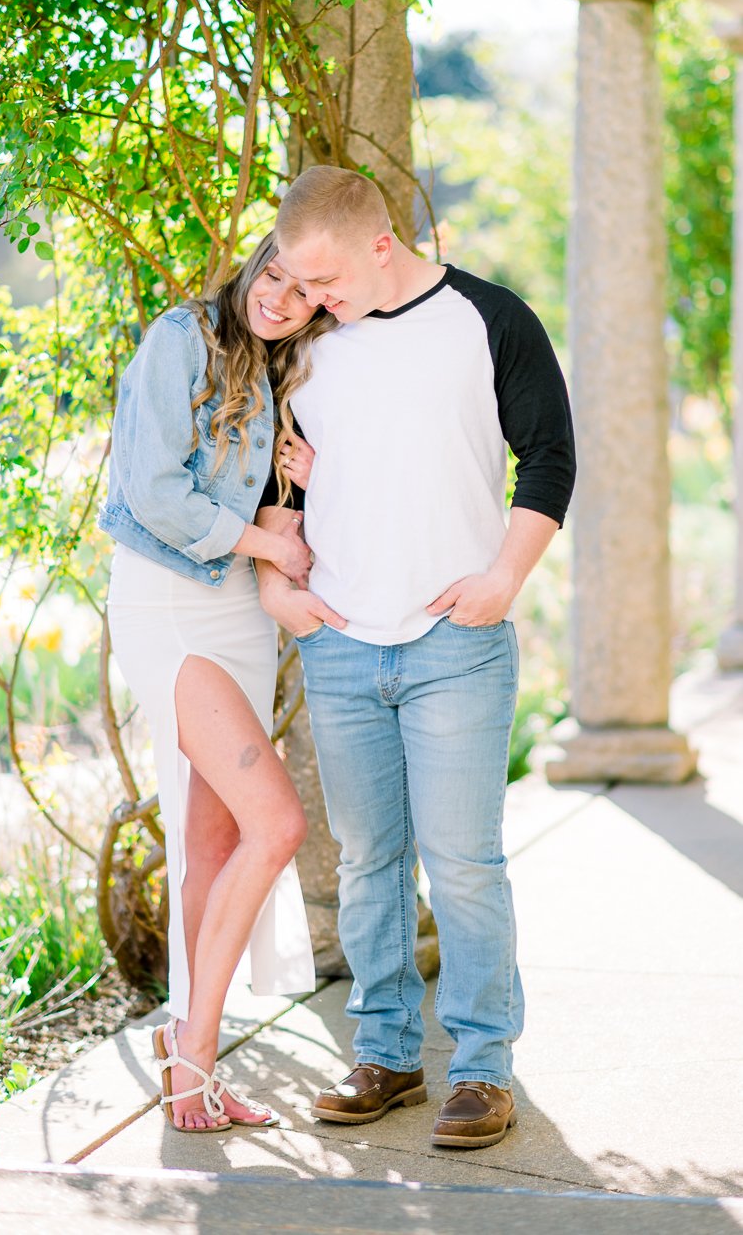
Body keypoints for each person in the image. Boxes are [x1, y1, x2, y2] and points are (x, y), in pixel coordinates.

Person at [255, 166, 576, 1149]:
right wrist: (282, 590)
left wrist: (501, 581)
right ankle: (386, 1053)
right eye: (298, 284)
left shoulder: (488, 320)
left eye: (325, 280)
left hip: (455, 642)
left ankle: (481, 1070)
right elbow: (280, 470)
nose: (311, 301)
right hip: (343, 644)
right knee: (368, 860)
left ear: (380, 244)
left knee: (465, 861)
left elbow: (551, 452)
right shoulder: (311, 346)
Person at [99, 233, 332, 1132]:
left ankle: (188, 1046)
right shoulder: (180, 338)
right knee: (277, 823)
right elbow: (153, 489)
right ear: (251, 266)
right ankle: (194, 1054)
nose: (281, 297)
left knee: (213, 839)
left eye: (305, 290)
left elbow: (279, 510)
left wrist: (306, 487)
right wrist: (270, 541)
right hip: (169, 606)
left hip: (236, 612)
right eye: (274, 274)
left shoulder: (280, 374)